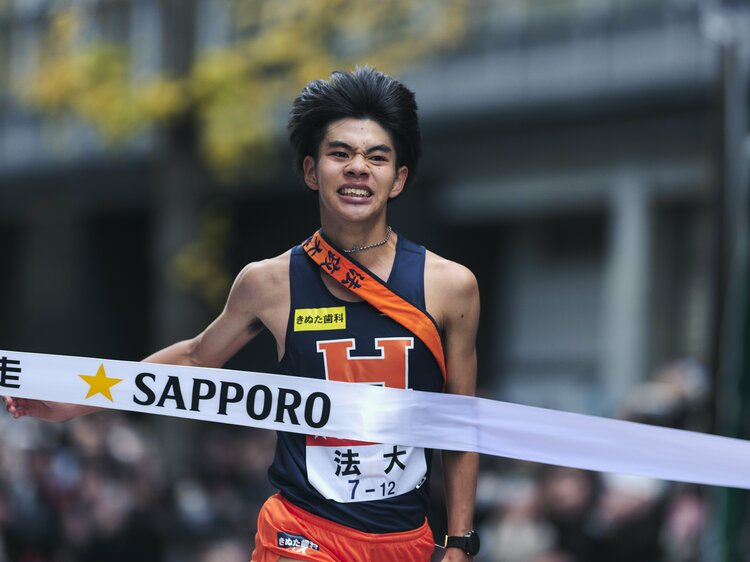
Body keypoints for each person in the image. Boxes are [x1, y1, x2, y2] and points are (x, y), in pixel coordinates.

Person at [5, 67, 480, 562]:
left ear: (398, 179)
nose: (358, 168)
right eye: (340, 153)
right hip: (301, 533)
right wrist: (75, 395)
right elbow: (193, 359)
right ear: (311, 171)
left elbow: (462, 422)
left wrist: (460, 542)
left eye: (376, 157)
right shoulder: (268, 283)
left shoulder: (450, 287)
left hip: (405, 541)